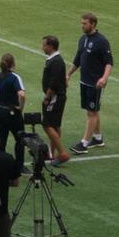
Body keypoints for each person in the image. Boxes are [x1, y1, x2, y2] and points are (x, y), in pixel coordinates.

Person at [68, 13, 113, 155]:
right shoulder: (82, 39)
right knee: (92, 110)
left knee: (91, 112)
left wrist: (104, 78)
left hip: (96, 83)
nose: (82, 26)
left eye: (85, 23)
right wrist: (68, 73)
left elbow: (109, 62)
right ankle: (98, 138)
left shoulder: (102, 41)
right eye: (81, 23)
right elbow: (78, 59)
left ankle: (84, 143)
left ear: (93, 24)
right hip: (84, 81)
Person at [0, 53, 26, 155]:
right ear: (13, 64)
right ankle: (19, 166)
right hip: (11, 112)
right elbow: (22, 94)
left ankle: (0, 165)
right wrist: (20, 107)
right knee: (20, 139)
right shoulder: (14, 77)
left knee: (1, 140)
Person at [38, 35, 71, 165]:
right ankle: (53, 153)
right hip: (57, 96)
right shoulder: (54, 60)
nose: (42, 47)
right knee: (55, 125)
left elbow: (53, 82)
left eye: (44, 45)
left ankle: (62, 153)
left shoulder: (56, 61)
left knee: (47, 124)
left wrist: (47, 97)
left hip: (54, 97)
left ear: (51, 46)